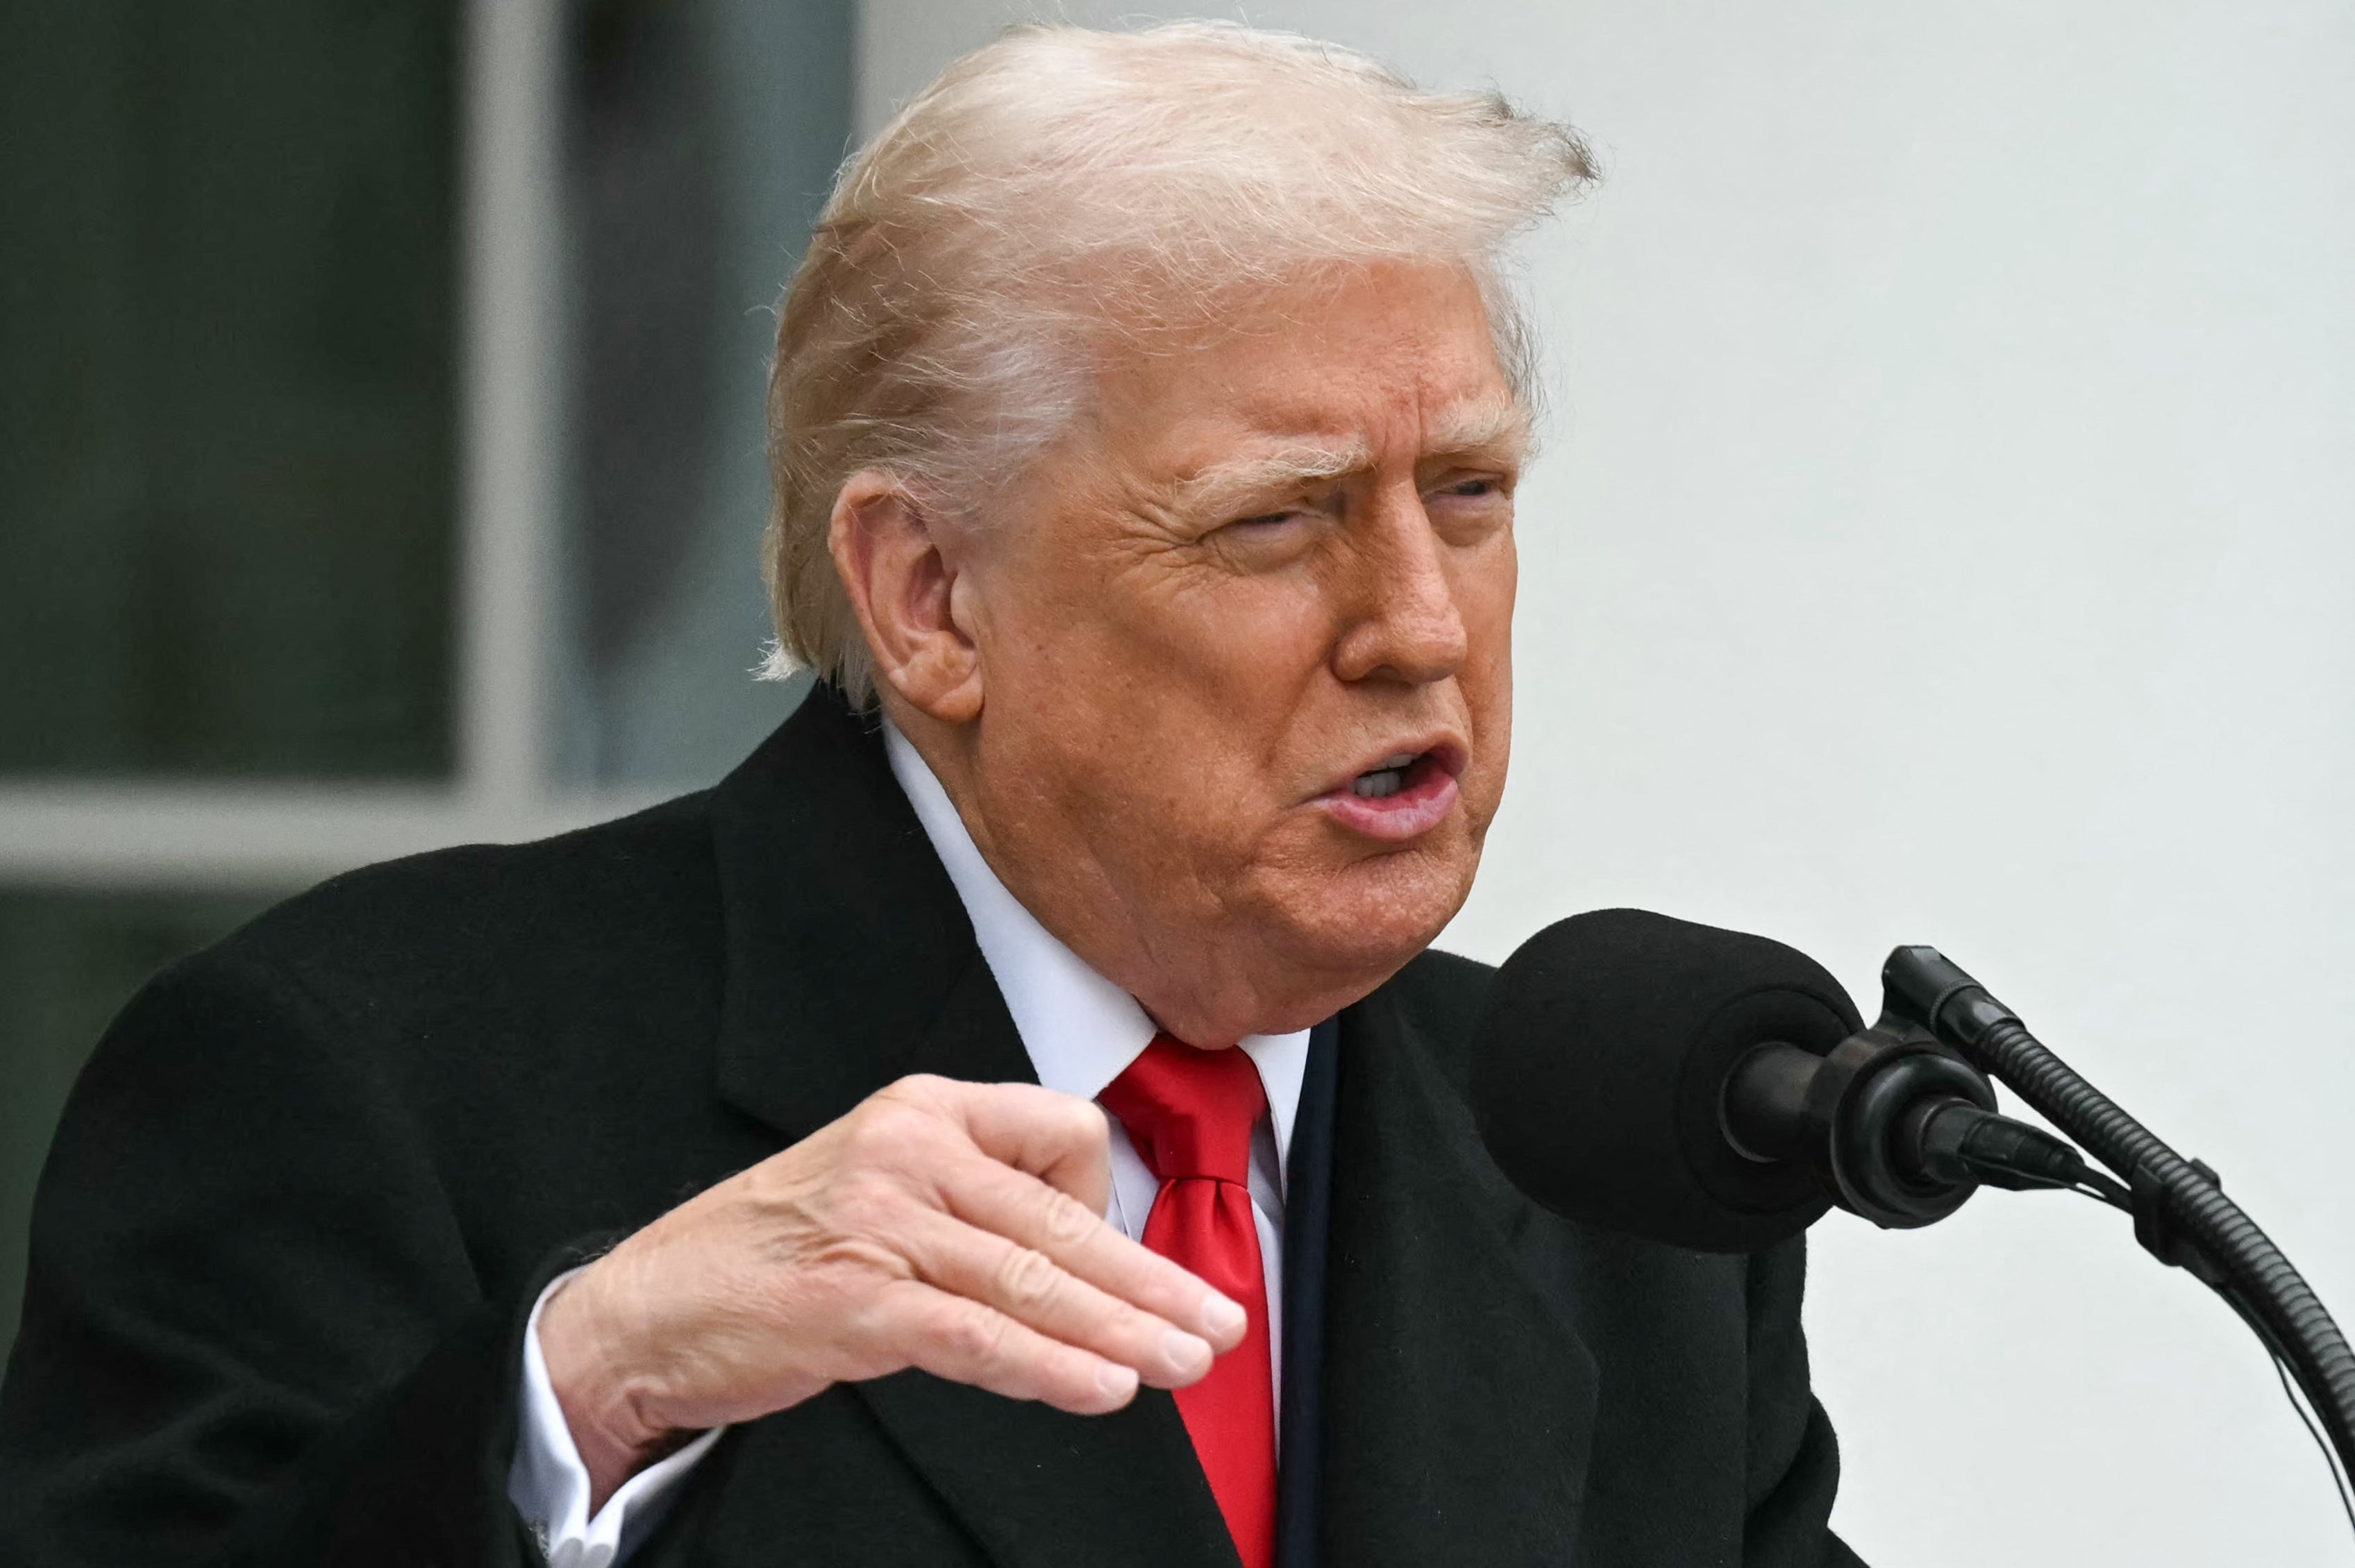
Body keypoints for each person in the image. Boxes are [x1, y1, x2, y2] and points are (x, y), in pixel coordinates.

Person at [0, 23, 1862, 1568]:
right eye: (1277, 517)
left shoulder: (1623, 1187)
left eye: (1467, 491)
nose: (1417, 621)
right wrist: (584, 1393)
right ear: (931, 595)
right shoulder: (363, 1075)